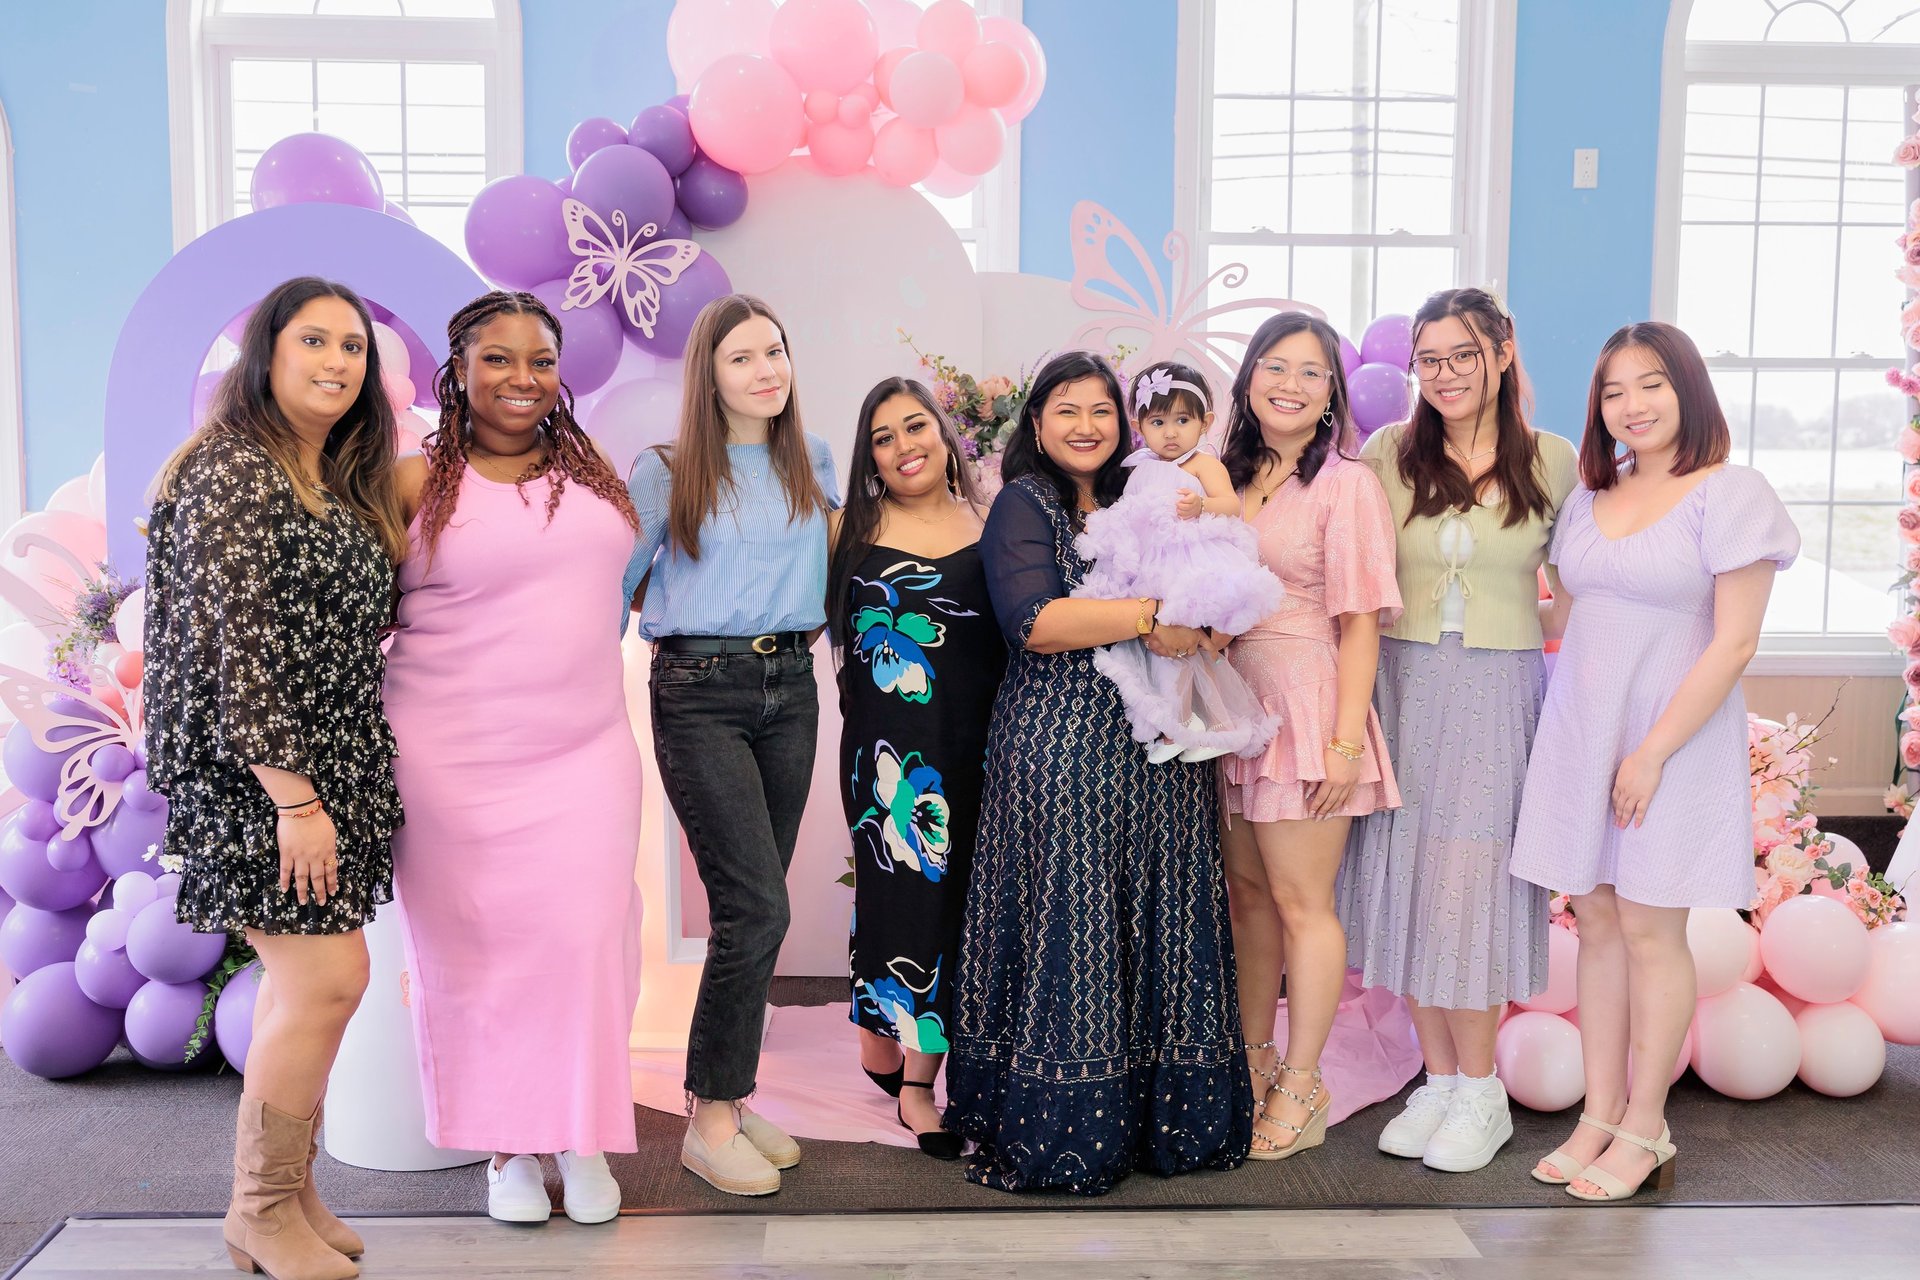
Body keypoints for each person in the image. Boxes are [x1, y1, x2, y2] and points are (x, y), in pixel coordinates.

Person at [145, 276, 409, 1280]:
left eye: (354, 347)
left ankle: (286, 1190)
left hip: (326, 757)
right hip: (259, 773)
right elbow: (236, 653)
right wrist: (294, 799)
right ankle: (258, 1206)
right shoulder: (230, 470)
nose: (338, 362)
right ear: (267, 351)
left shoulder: (322, 470)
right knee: (327, 975)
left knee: (327, 986)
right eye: (315, 341)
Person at [945, 350, 1252, 1196]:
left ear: (1127, 423)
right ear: (1036, 424)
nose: (1086, 426)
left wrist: (1207, 624)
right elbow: (1036, 620)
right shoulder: (1025, 502)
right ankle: (1062, 1129)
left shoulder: (1145, 494)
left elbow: (1214, 579)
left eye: (1101, 411)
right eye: (1066, 410)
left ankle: (1164, 1123)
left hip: (1159, 749)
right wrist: (1155, 616)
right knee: (1076, 922)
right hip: (1063, 744)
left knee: (1161, 910)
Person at [1513, 322, 1797, 1202]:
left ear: (1688, 391)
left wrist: (1651, 753)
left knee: (1648, 929)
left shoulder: (1729, 493)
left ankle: (1646, 1123)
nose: (1631, 406)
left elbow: (1735, 642)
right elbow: (1563, 619)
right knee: (1594, 923)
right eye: (1612, 392)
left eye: (1651, 385)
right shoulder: (1589, 497)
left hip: (1669, 738)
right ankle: (1598, 1115)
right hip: (1581, 727)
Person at [385, 291, 642, 1224]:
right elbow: (353, 617)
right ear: (457, 371)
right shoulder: (412, 484)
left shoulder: (593, 471)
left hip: (583, 751)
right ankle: (509, 1151)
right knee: (479, 956)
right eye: (498, 358)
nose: (521, 378)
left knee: (587, 942)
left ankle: (582, 1136)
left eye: (540, 359)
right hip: (452, 760)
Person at [1337, 287, 1578, 1173]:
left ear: (1503, 352)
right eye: (1428, 359)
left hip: (1500, 685)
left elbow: (1576, 597)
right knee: (1406, 874)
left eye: (1462, 356)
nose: (1443, 374)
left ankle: (1483, 1090)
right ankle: (1438, 1078)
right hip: (1401, 683)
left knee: (1469, 884)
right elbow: (1353, 575)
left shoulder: (1553, 460)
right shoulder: (1385, 453)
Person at [621, 293, 839, 1197]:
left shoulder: (812, 463)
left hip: (791, 687)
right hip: (699, 691)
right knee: (756, 909)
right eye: (744, 357)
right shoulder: (665, 470)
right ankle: (709, 1122)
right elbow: (620, 587)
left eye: (777, 351)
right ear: (709, 374)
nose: (768, 370)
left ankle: (728, 1094)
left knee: (756, 911)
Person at [1218, 312, 1402, 1161]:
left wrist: (1343, 743)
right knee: (1247, 902)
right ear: (1249, 377)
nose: (1290, 384)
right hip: (1229, 708)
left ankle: (1303, 1081)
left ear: (1332, 392)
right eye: (1275, 366)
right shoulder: (1230, 473)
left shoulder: (1346, 483)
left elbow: (1360, 623)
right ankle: (1251, 1064)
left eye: (1311, 372)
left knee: (1302, 906)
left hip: (1306, 701)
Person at [828, 377, 1005, 1160]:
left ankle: (909, 1070)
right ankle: (898, 1058)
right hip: (887, 757)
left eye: (916, 427)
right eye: (884, 436)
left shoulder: (993, 522)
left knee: (960, 910)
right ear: (870, 455)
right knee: (902, 903)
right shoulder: (847, 529)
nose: (905, 447)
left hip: (978, 747)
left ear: (945, 433)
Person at [1073, 361, 1281, 764]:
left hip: (1188, 558)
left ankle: (1197, 720)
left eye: (1182, 420)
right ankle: (1179, 722)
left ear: (1205, 422)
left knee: (1189, 641)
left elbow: (1230, 506)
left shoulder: (1202, 463)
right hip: (1149, 566)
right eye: (1157, 421)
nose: (1170, 432)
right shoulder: (1138, 466)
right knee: (1156, 648)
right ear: (1138, 424)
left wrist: (1201, 504)